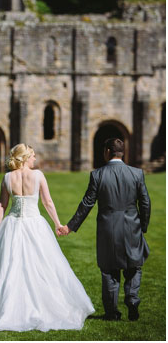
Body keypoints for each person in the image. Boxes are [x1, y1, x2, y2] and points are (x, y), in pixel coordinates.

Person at [0, 144, 94, 331]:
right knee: (41, 266)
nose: (35, 159)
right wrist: (57, 224)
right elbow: (47, 202)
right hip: (34, 224)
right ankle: (40, 306)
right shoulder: (38, 175)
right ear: (25, 157)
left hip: (12, 225)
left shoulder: (7, 177)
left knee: (9, 267)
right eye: (33, 156)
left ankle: (6, 307)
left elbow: (1, 206)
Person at [58, 138, 151, 321]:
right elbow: (145, 202)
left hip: (108, 229)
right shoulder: (137, 173)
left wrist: (70, 226)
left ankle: (111, 312)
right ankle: (132, 299)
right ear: (121, 152)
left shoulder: (98, 175)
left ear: (108, 151)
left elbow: (87, 204)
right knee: (134, 266)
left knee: (109, 270)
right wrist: (143, 226)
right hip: (132, 227)